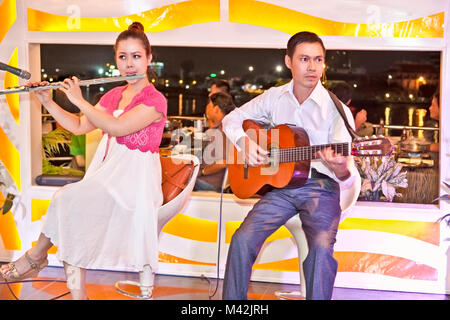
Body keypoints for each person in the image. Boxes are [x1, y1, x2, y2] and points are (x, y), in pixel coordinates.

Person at [0, 22, 167, 300]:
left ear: (149, 58)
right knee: (69, 210)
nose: (129, 64)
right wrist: (48, 101)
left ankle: (35, 257)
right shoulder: (114, 95)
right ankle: (74, 292)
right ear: (116, 59)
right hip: (107, 176)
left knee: (66, 200)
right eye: (122, 57)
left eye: (136, 56)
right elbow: (79, 126)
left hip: (133, 180)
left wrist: (78, 99)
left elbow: (117, 128)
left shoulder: (155, 100)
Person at [221, 31, 358, 300]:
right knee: (242, 239)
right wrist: (244, 143)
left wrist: (338, 165)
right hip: (281, 188)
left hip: (321, 186)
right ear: (288, 61)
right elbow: (232, 120)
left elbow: (344, 172)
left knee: (320, 248)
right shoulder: (274, 97)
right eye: (304, 59)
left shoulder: (337, 109)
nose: (312, 67)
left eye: (318, 60)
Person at [194, 92, 235, 192]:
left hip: (209, 183)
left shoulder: (223, 130)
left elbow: (224, 162)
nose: (206, 110)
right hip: (210, 180)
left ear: (216, 109)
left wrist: (201, 172)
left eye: (208, 106)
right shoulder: (227, 125)